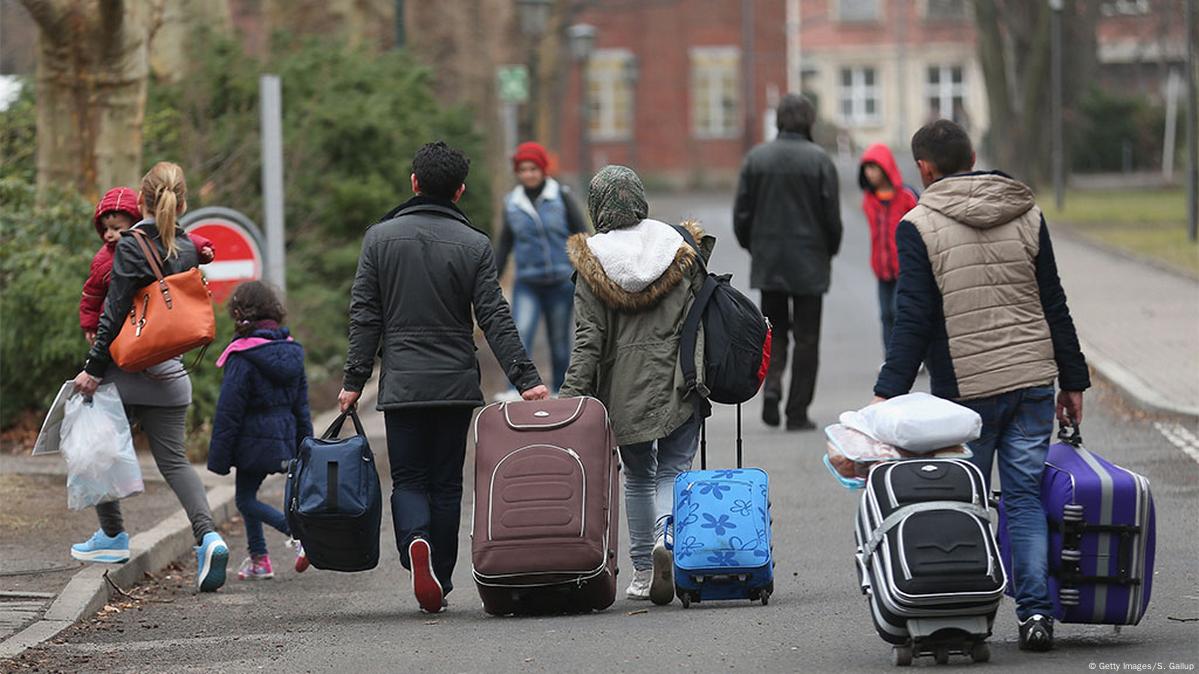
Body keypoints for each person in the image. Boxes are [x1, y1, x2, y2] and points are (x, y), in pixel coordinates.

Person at [872, 120, 1090, 652]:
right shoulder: (1026, 210)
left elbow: (915, 319)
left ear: (924, 168)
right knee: (1023, 501)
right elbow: (1053, 300)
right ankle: (1037, 617)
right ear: (972, 155)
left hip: (966, 393)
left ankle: (967, 615)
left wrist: (887, 392)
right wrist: (1073, 379)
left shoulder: (917, 224)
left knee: (963, 506)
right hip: (1033, 379)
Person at [338, 141, 548, 614]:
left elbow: (365, 316)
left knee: (409, 478)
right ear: (459, 191)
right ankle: (444, 578)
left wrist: (353, 380)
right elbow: (494, 315)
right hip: (454, 384)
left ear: (413, 182)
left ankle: (416, 546)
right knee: (447, 482)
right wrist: (525, 377)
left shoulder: (379, 239)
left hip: (403, 383)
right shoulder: (474, 244)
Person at [71, 162, 231, 593]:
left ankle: (111, 536)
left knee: (94, 446)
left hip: (125, 373)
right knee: (176, 464)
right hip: (172, 375)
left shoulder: (129, 246)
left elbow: (115, 312)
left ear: (140, 201)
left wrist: (92, 370)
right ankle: (209, 537)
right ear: (182, 202)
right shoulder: (188, 247)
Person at [558, 165, 713, 606]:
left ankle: (644, 570)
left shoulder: (593, 263)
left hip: (622, 391)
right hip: (682, 378)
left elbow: (589, 341)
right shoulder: (679, 248)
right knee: (675, 469)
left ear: (598, 208)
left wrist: (569, 401)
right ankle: (670, 536)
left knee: (640, 476)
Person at [734, 93, 842, 431]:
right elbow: (832, 219)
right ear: (809, 121)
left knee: (774, 331)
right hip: (810, 261)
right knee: (808, 338)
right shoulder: (820, 161)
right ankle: (797, 412)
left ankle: (773, 387)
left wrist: (755, 247)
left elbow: (741, 215)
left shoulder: (756, 159)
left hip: (770, 262)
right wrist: (828, 250)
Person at [207, 281, 312, 581]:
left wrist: (219, 457)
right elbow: (301, 405)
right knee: (246, 493)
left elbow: (230, 410)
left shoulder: (241, 356)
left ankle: (297, 534)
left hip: (251, 440)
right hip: (284, 437)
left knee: (244, 500)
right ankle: (259, 559)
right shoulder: (292, 351)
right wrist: (305, 445)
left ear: (239, 313)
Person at [495, 141, 589, 396]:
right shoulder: (512, 203)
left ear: (543, 169)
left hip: (560, 281)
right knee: (521, 334)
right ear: (517, 172)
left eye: (533, 169)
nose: (528, 174)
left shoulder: (561, 196)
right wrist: (491, 279)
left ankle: (561, 389)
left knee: (559, 342)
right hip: (528, 282)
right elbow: (505, 243)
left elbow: (581, 232)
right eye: (523, 169)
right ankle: (515, 389)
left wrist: (586, 270)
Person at [80, 187, 214, 345]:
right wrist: (90, 325)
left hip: (155, 320)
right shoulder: (103, 260)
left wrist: (202, 247)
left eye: (116, 229)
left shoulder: (148, 243)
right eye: (105, 229)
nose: (108, 234)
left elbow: (177, 238)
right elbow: (92, 294)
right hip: (121, 328)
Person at [858, 144, 919, 350]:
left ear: (886, 168)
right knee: (885, 314)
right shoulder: (869, 200)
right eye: (866, 168)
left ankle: (910, 354)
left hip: (904, 266)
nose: (870, 173)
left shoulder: (906, 197)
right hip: (881, 268)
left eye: (874, 167)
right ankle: (890, 357)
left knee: (899, 311)